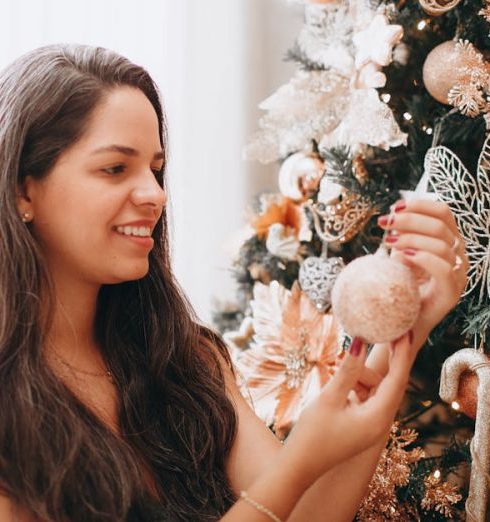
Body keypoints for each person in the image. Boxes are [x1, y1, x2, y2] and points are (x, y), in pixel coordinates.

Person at [0, 44, 468, 522]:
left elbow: (307, 516)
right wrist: (300, 461)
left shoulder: (181, 358)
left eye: (156, 170)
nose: (155, 195)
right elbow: (281, 496)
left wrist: (403, 329)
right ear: (22, 188)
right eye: (115, 168)